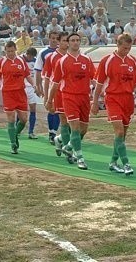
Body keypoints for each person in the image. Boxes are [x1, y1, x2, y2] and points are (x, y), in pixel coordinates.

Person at [92, 33, 136, 175]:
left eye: (129, 48)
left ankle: (113, 162)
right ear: (118, 45)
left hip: (128, 100)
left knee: (122, 134)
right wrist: (95, 102)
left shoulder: (132, 61)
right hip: (113, 98)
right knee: (119, 131)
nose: (126, 51)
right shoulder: (107, 61)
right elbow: (99, 84)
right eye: (124, 48)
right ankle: (126, 163)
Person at [49, 32, 95, 170]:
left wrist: (99, 93)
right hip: (69, 97)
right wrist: (49, 100)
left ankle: (67, 145)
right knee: (74, 128)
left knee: (83, 130)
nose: (75, 42)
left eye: (77, 40)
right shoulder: (62, 61)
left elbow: (94, 78)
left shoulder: (86, 60)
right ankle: (79, 157)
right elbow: (55, 83)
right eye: (73, 40)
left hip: (84, 98)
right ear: (68, 43)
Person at [0, 41, 35, 154]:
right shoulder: (1, 62)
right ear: (5, 50)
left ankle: (15, 134)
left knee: (24, 119)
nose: (10, 53)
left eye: (12, 51)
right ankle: (13, 144)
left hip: (20, 93)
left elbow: (27, 75)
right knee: (11, 119)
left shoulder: (21, 60)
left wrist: (34, 85)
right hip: (8, 93)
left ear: (15, 49)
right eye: (8, 51)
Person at [34, 32, 61, 144]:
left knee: (59, 109)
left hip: (61, 84)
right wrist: (38, 85)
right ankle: (52, 132)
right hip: (49, 83)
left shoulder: (62, 51)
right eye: (52, 38)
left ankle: (55, 132)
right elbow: (38, 70)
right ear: (49, 39)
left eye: (56, 38)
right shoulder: (44, 53)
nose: (54, 40)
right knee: (52, 108)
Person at [23, 47, 39, 139]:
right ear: (27, 54)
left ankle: (31, 131)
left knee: (33, 108)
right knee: (21, 109)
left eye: (32, 56)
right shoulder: (20, 59)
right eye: (29, 56)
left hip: (31, 87)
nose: (30, 58)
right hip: (22, 87)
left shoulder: (36, 61)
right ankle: (18, 129)